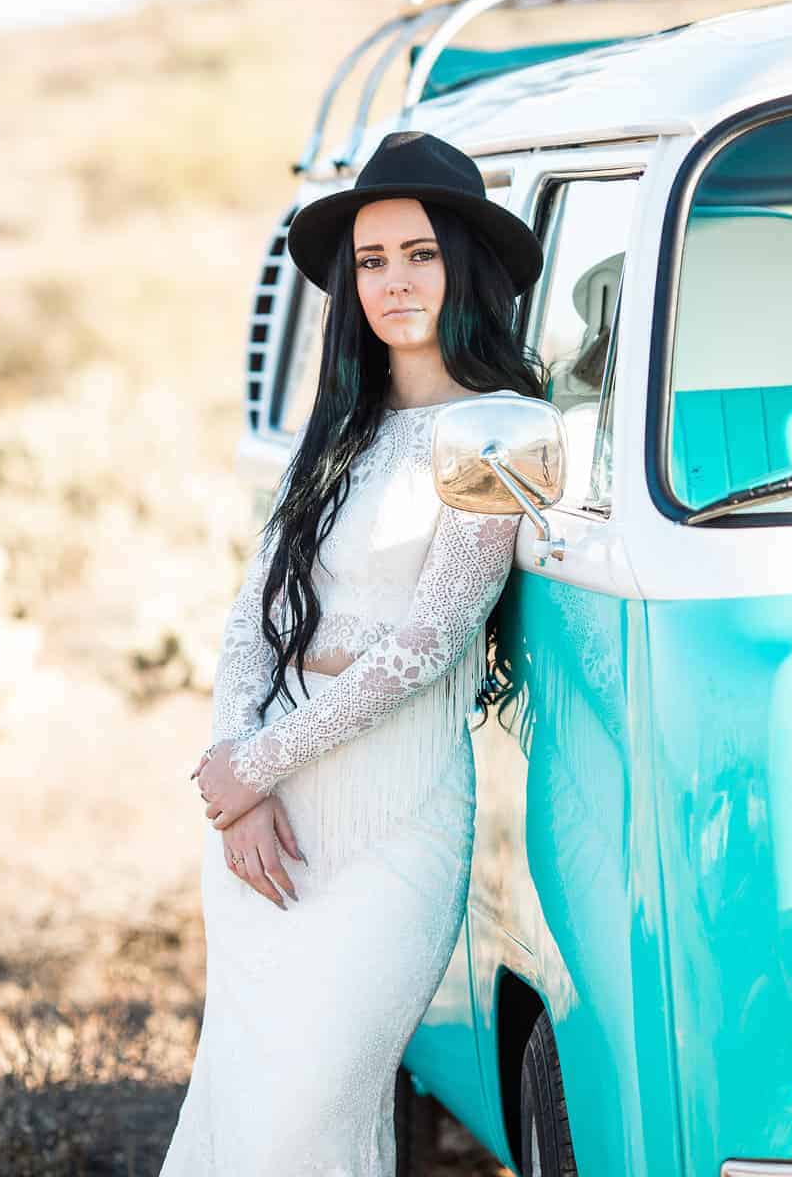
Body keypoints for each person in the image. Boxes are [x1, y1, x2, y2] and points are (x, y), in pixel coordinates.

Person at [158, 129, 547, 1176]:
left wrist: (259, 764)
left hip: (393, 816)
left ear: (464, 264)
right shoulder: (336, 429)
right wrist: (235, 779)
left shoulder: (508, 432)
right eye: (370, 262)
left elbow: (430, 640)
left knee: (312, 1109)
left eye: (418, 253)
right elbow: (250, 617)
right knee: (247, 1108)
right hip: (261, 825)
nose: (393, 281)